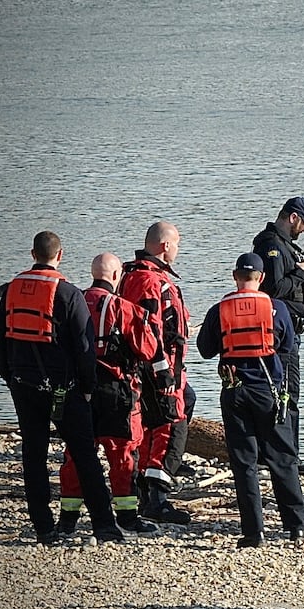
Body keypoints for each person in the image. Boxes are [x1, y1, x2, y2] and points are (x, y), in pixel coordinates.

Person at [0, 231, 125, 545]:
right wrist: (88, 386)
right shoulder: (68, 293)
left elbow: (0, 342)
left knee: (34, 455)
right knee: (83, 455)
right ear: (60, 255)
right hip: (65, 389)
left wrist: (9, 377)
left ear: (32, 254)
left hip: (23, 385)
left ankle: (44, 529)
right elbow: (84, 347)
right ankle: (104, 526)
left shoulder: (11, 291)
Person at [196, 253, 304, 548]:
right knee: (282, 458)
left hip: (234, 390)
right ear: (261, 278)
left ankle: (253, 532)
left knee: (244, 461)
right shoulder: (276, 307)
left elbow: (205, 350)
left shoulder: (219, 309)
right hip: (268, 391)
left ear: (235, 276)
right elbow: (286, 346)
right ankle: (296, 527)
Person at [56, 252, 161, 538]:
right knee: (122, 453)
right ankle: (127, 516)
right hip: (116, 392)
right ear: (116, 277)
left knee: (76, 454)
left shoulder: (71, 301)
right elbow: (148, 349)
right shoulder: (122, 308)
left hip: (78, 390)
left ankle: (68, 519)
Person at [118, 221, 192, 525]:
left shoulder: (132, 276)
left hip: (144, 368)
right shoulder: (150, 282)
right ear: (165, 246)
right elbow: (151, 331)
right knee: (171, 423)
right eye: (176, 244)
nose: (177, 250)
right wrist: (162, 372)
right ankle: (156, 496)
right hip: (160, 369)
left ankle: (145, 490)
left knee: (150, 425)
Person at [252, 195, 304, 457]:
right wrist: (302, 273)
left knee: (286, 391)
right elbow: (274, 290)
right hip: (282, 330)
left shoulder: (284, 246)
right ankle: (286, 456)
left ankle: (281, 453)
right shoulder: (272, 247)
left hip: (290, 328)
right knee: (287, 392)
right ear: (293, 218)